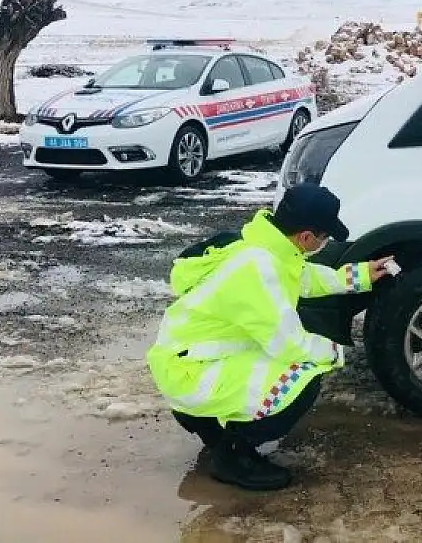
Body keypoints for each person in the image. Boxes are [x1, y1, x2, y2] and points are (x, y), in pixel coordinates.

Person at [146, 183, 394, 491]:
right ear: (306, 237)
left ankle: (207, 425)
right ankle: (233, 456)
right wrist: (334, 353)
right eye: (324, 236)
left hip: (187, 359)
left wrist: (359, 276)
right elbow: (288, 343)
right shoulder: (258, 269)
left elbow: (304, 277)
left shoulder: (262, 245)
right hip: (191, 372)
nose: (324, 242)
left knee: (292, 363)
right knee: (304, 376)